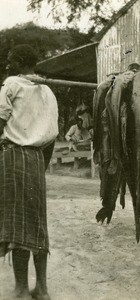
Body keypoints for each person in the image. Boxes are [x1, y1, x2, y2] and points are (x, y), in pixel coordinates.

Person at [0, 44, 58, 300]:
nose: (9, 63)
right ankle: (42, 288)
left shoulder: (11, 84)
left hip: (14, 156)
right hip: (36, 158)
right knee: (37, 223)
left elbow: (0, 120)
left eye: (12, 59)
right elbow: (51, 136)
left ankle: (22, 289)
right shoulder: (48, 91)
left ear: (18, 61)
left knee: (18, 224)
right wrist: (40, 165)